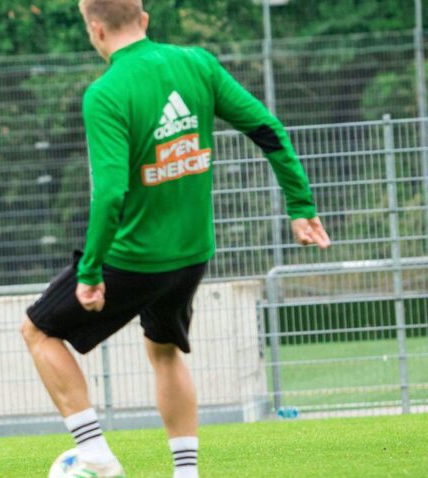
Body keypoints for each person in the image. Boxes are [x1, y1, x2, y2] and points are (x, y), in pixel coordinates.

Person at [21, 2, 331, 477]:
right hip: (191, 255)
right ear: (143, 19)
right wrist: (301, 205)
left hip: (136, 257)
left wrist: (90, 272)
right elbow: (267, 128)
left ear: (95, 30)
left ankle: (96, 455)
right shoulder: (198, 64)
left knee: (38, 331)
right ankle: (186, 473)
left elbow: (110, 194)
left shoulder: (106, 93)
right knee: (163, 350)